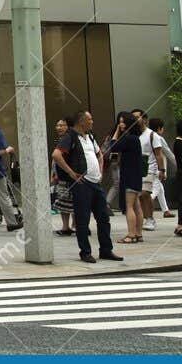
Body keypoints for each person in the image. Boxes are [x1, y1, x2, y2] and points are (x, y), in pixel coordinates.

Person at [54, 110, 122, 264]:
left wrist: (99, 172)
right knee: (82, 219)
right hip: (82, 184)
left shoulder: (90, 136)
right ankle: (85, 252)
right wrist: (71, 173)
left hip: (95, 182)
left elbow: (99, 154)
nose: (92, 122)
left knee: (103, 217)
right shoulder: (69, 136)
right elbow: (56, 155)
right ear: (81, 121)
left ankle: (106, 250)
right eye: (90, 119)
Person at [109, 112, 145, 243]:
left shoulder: (128, 138)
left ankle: (131, 234)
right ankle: (138, 234)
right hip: (136, 176)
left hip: (129, 176)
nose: (121, 124)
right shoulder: (135, 138)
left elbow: (113, 146)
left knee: (129, 206)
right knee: (136, 205)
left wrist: (117, 131)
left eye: (123, 121)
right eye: (120, 121)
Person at [142, 117, 172, 227]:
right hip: (156, 170)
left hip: (152, 170)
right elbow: (168, 153)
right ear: (160, 128)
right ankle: (148, 210)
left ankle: (165, 210)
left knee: (160, 189)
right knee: (152, 192)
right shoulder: (158, 138)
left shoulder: (147, 136)